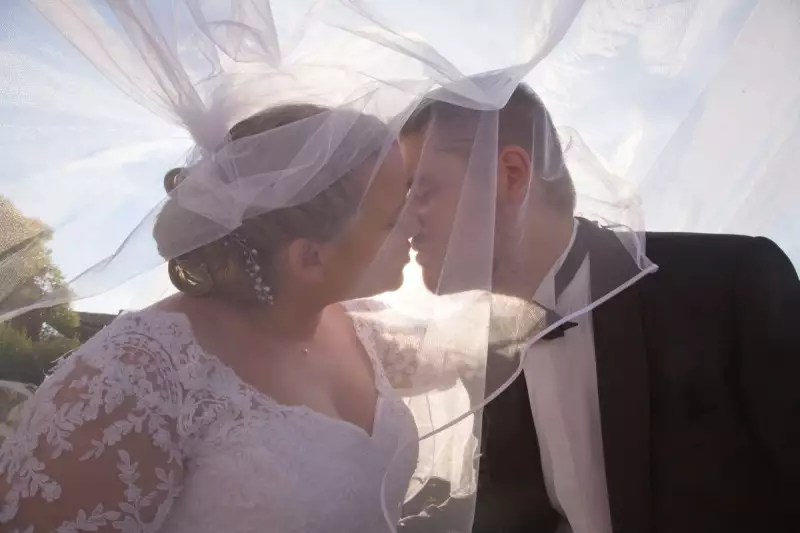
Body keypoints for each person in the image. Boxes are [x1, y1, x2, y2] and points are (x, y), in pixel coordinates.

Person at [0, 103, 426, 533]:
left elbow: (460, 354)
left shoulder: (361, 326)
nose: (415, 223)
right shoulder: (132, 380)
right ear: (310, 257)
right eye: (392, 219)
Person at [398, 83, 800, 533]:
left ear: (511, 175)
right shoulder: (492, 357)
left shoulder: (730, 282)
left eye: (422, 190)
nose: (404, 219)